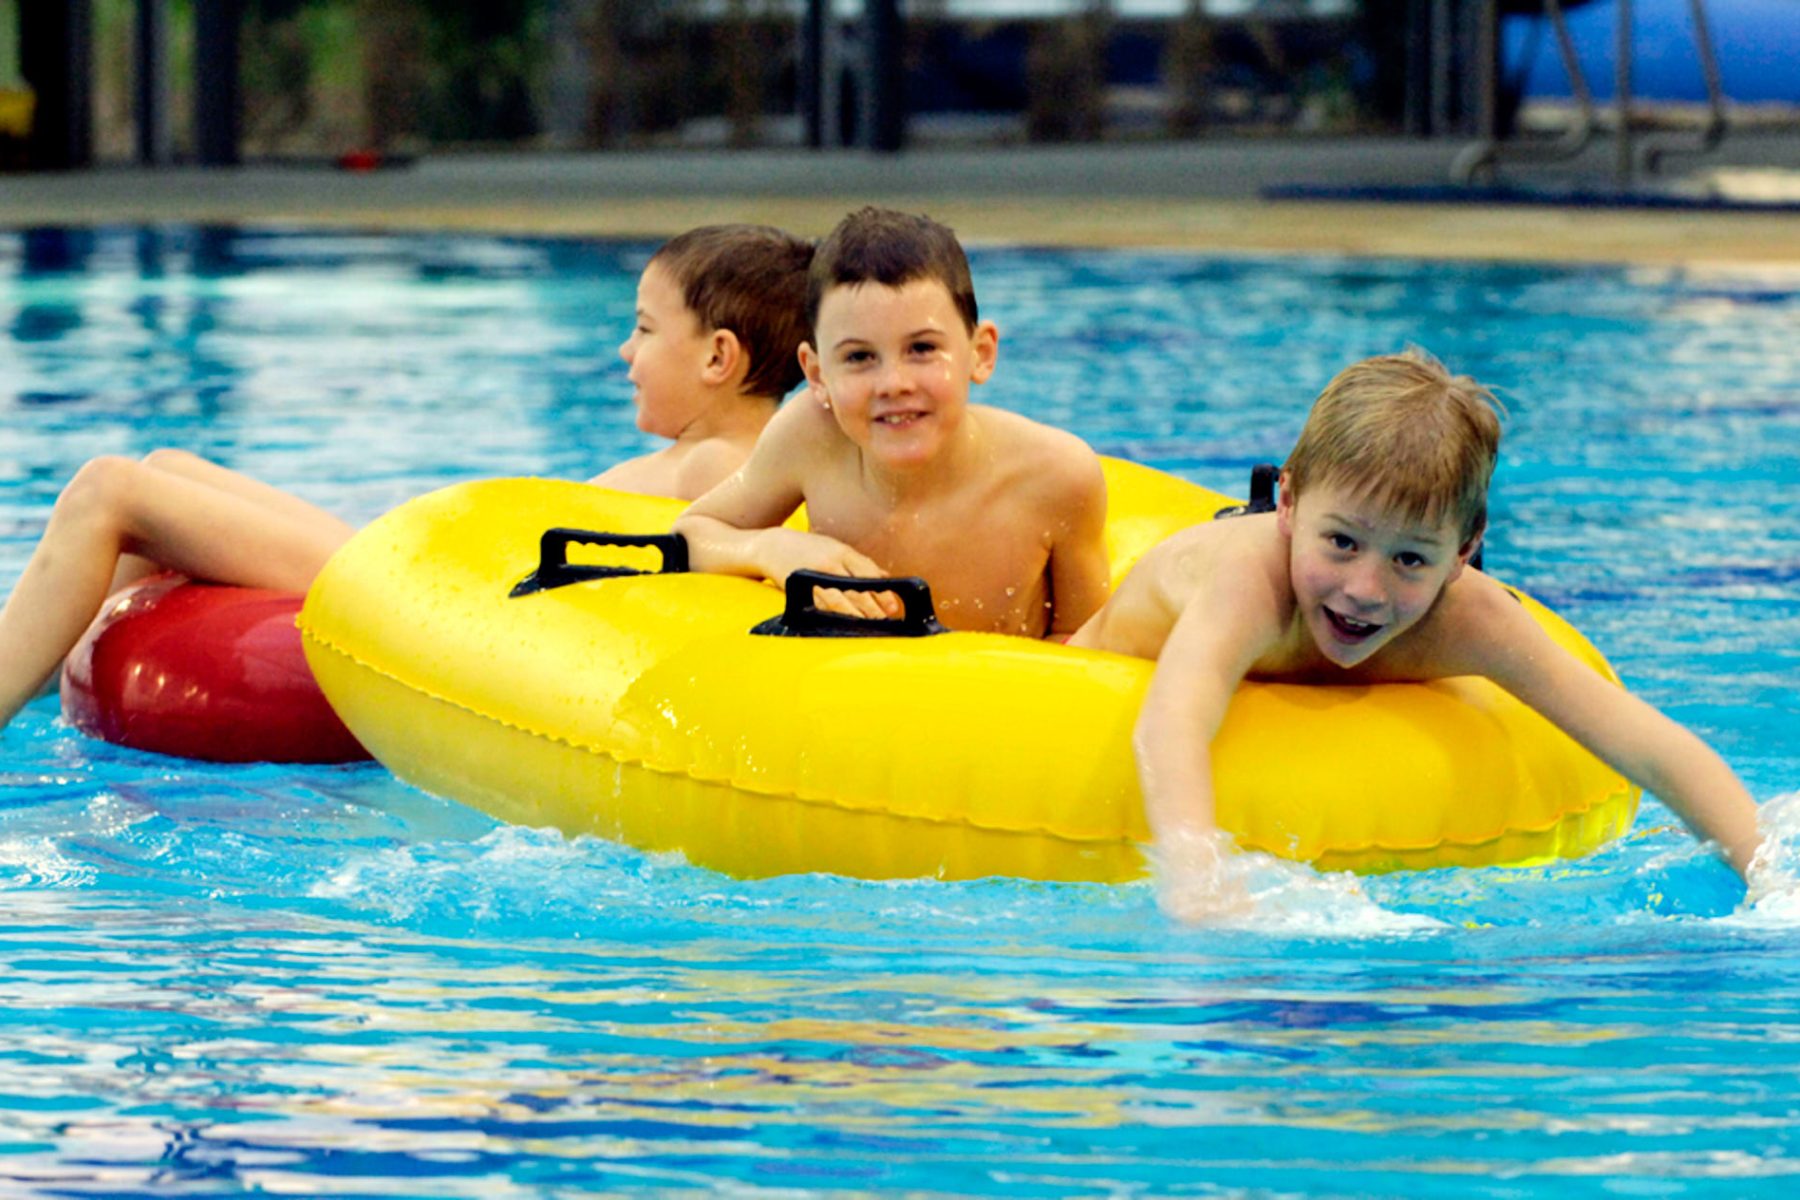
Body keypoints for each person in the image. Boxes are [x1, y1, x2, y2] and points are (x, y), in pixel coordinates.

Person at [0, 223, 814, 730]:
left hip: (423, 600)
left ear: (718, 357)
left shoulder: (725, 463)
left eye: (643, 329)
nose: (624, 353)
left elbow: (718, 562)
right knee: (165, 468)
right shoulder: (717, 457)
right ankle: (31, 684)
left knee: (112, 488)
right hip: (421, 574)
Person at [1068, 349, 1765, 917]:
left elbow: (1647, 744)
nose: (1365, 590)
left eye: (1410, 559)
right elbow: (1171, 724)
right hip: (1082, 673)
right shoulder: (1247, 586)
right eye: (1340, 543)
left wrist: (1767, 875)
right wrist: (1200, 883)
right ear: (1286, 502)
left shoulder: (1470, 619)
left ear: (1463, 552)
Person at [672, 206, 1110, 639]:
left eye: (921, 348)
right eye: (859, 357)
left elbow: (1087, 643)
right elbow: (689, 535)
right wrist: (772, 547)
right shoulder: (811, 437)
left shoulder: (1056, 477)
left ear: (980, 353)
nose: (893, 384)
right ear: (818, 374)